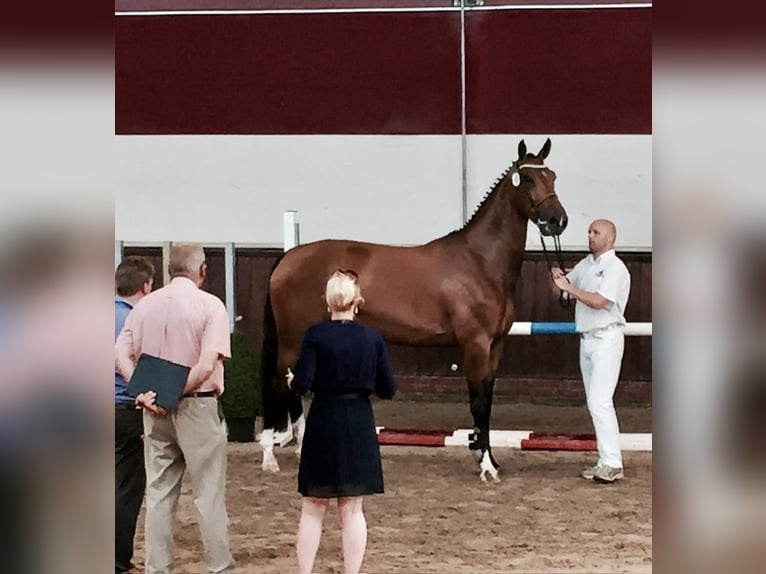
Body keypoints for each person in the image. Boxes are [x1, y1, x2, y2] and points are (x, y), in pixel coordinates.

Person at [115, 243, 236, 574]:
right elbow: (207, 362)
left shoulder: (143, 307)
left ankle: (158, 568)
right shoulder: (210, 306)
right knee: (208, 495)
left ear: (169, 270)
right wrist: (174, 392)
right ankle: (219, 567)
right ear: (202, 270)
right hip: (197, 407)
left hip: (153, 410)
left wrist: (141, 392)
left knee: (159, 493)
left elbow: (119, 353)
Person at [286, 269, 396, 574]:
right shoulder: (372, 338)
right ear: (357, 300)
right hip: (358, 420)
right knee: (352, 507)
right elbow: (388, 389)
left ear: (328, 301)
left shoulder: (315, 335)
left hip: (323, 419)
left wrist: (293, 382)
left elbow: (303, 384)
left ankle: (305, 571)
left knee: (312, 506)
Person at [552, 219, 631, 484]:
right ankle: (604, 460)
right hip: (587, 338)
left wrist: (570, 288)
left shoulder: (615, 269)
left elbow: (598, 301)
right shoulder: (586, 264)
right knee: (595, 402)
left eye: (596, 232)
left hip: (607, 337)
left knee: (600, 401)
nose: (590, 236)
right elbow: (562, 292)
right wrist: (558, 280)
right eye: (589, 232)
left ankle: (612, 462)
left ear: (610, 237)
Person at [115, 256, 156, 573]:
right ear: (145, 286)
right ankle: (116, 560)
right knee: (126, 488)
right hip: (123, 409)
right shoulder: (138, 321)